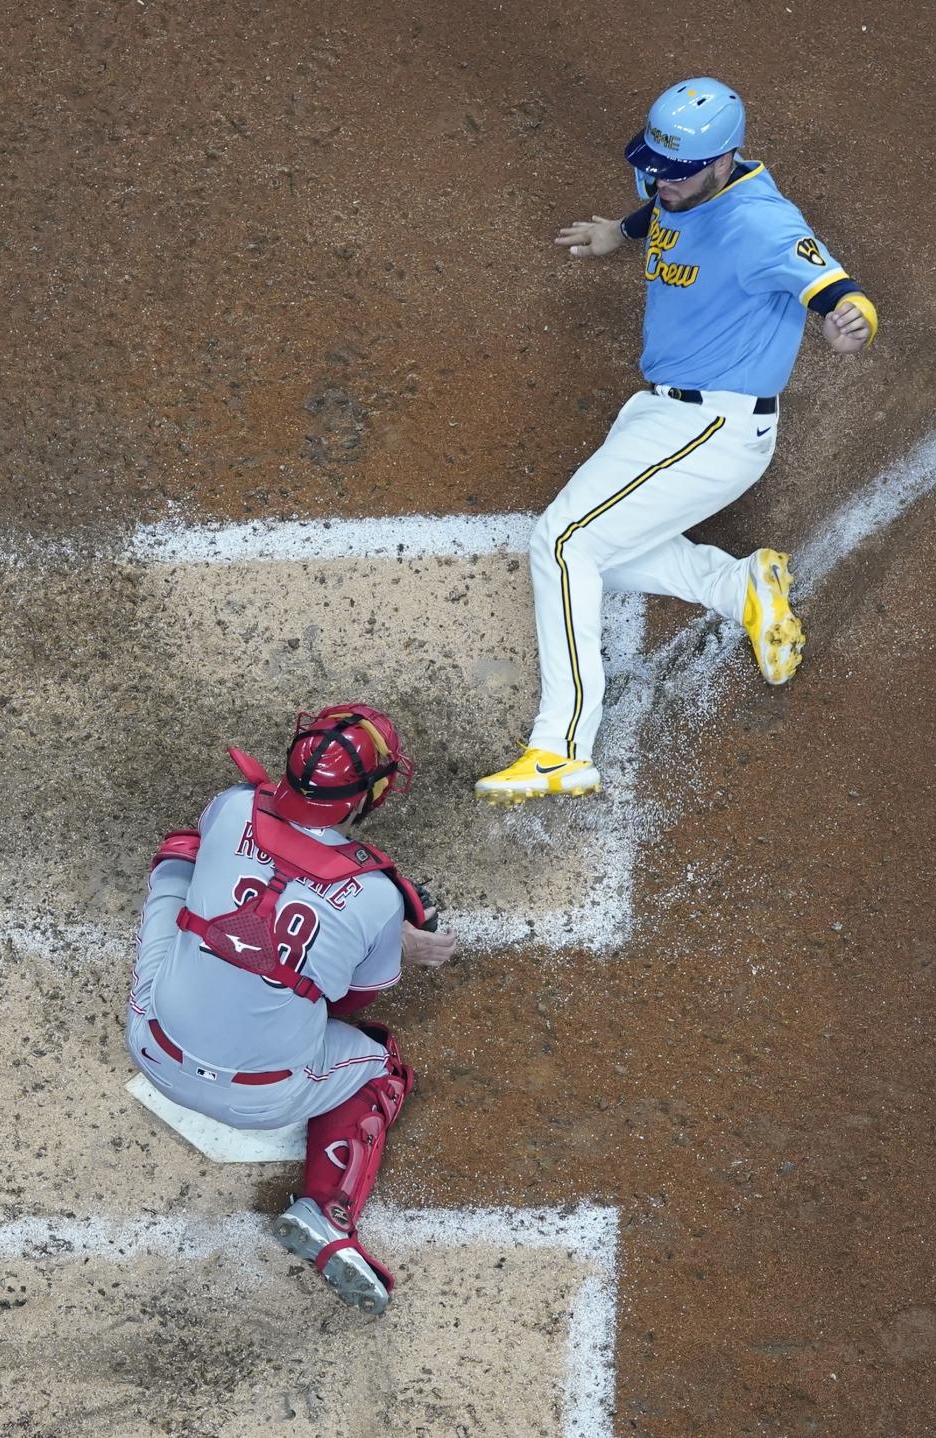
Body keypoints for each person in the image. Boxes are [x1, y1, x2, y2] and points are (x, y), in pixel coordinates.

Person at [475, 77, 877, 804]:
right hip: (661, 415)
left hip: (714, 429)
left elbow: (833, 287)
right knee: (597, 559)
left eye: (675, 172)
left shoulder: (763, 224)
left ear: (725, 161)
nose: (658, 184)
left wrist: (849, 319)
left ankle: (559, 748)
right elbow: (663, 214)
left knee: (563, 546)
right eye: (650, 168)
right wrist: (617, 233)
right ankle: (739, 587)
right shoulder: (678, 186)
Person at [126, 704, 456, 1315]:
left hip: (149, 1042)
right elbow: (350, 1003)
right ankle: (327, 1214)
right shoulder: (379, 896)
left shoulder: (230, 806)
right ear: (368, 794)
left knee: (180, 855)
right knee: (379, 1061)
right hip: (261, 1096)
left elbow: (242, 857)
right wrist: (397, 938)